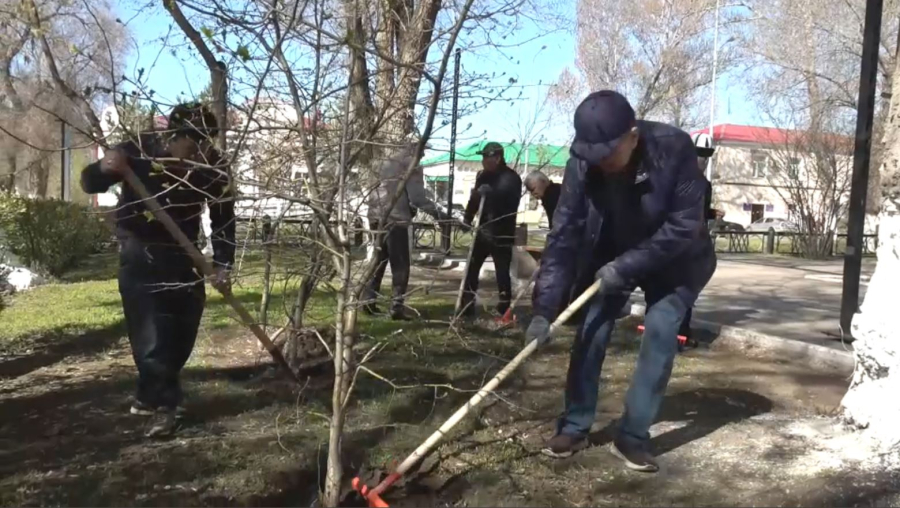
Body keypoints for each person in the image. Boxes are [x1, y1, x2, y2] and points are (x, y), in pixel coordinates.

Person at [525, 90, 717, 471]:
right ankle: (575, 425)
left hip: (675, 258)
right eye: (592, 155)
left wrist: (627, 266)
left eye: (607, 154)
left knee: (660, 335)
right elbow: (564, 235)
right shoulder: (583, 163)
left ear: (632, 137)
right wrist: (544, 309)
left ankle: (632, 436)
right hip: (611, 252)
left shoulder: (673, 148)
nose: (600, 163)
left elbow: (684, 226)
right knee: (591, 329)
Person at [80, 102, 235, 438]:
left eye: (206, 143)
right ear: (172, 137)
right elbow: (89, 183)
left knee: (184, 326)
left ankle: (149, 394)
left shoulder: (212, 164)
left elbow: (224, 216)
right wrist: (105, 167)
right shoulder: (139, 150)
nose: (199, 153)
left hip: (185, 253)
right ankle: (167, 405)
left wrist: (223, 263)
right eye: (193, 144)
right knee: (152, 333)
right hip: (141, 251)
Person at [364, 142, 450, 320]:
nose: (424, 155)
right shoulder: (411, 164)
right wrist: (440, 216)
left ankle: (367, 301)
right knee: (400, 265)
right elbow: (417, 198)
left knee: (378, 260)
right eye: (423, 150)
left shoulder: (384, 161)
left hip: (376, 217)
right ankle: (396, 307)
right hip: (395, 218)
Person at [460, 142, 522, 317]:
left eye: (486, 157)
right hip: (483, 231)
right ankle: (466, 305)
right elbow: (475, 199)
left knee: (502, 272)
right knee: (472, 269)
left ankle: (504, 308)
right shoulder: (483, 176)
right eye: (482, 157)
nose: (483, 161)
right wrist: (467, 217)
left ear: (497, 158)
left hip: (502, 234)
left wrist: (491, 194)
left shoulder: (511, 178)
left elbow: (509, 204)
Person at [679, 133, 722, 340]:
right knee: (683, 284)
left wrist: (711, 213)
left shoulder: (702, 184)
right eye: (699, 155)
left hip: (688, 241)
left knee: (685, 284)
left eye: (706, 156)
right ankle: (679, 330)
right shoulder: (682, 180)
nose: (703, 161)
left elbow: (700, 211)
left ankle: (682, 329)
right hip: (684, 241)